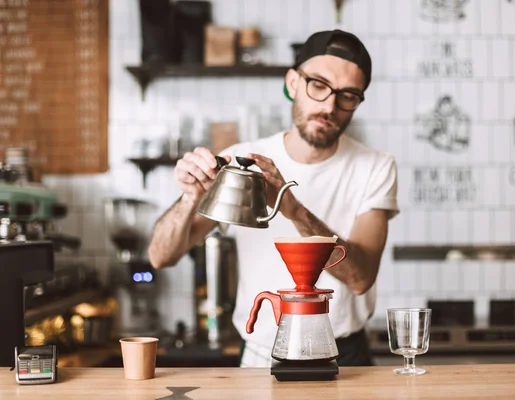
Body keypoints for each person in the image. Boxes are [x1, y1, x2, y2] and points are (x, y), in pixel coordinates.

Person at [148, 29, 399, 367]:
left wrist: (291, 207)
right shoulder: (241, 159)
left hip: (344, 357)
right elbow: (160, 256)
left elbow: (360, 278)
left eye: (348, 95)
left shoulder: (375, 167)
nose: (329, 106)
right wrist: (190, 198)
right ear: (293, 82)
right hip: (260, 358)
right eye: (319, 85)